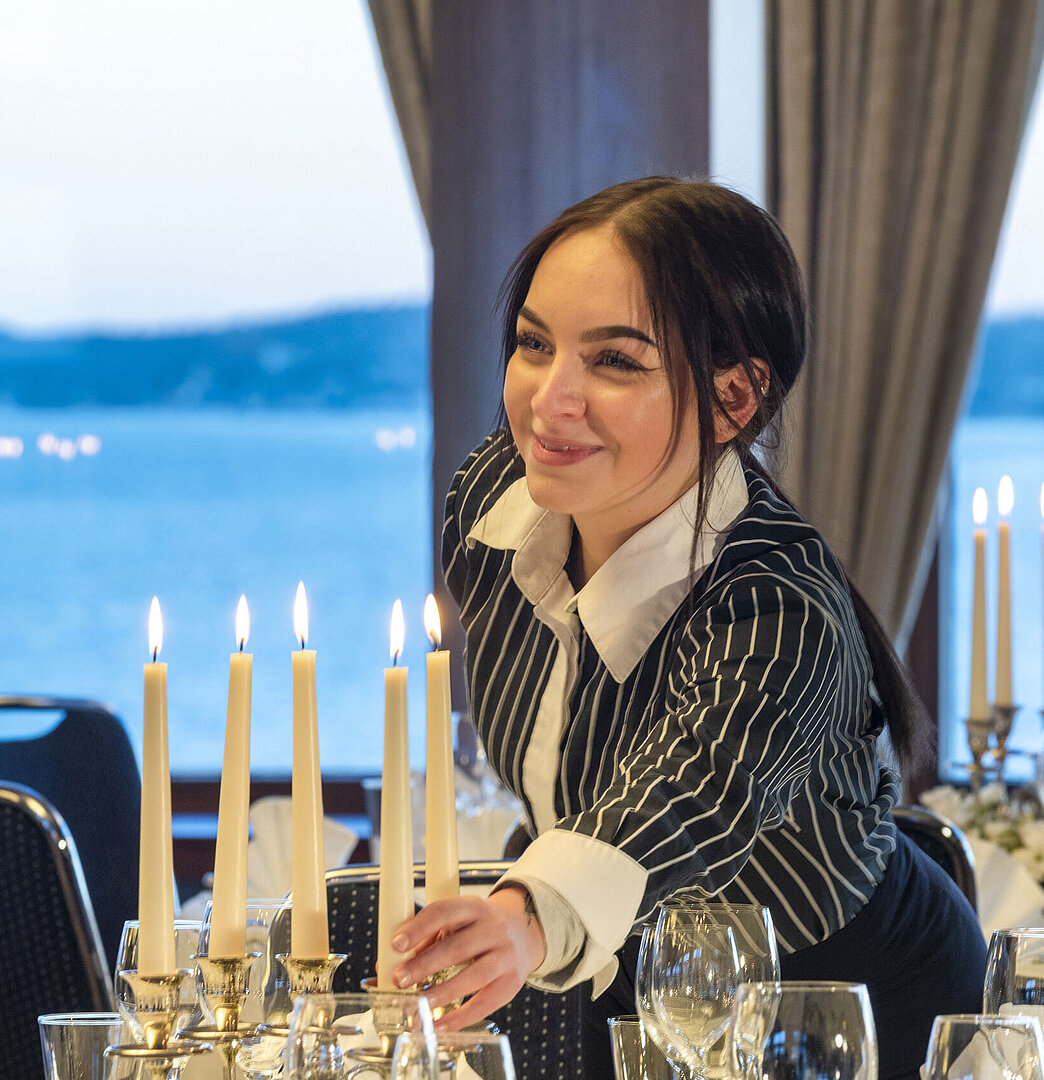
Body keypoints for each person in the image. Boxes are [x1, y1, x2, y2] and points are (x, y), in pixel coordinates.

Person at [390, 177, 985, 1080]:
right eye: (533, 344)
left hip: (838, 1007)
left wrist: (525, 915)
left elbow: (693, 794)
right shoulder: (489, 509)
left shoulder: (779, 607)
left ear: (734, 399)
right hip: (627, 979)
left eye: (616, 362)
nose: (551, 400)